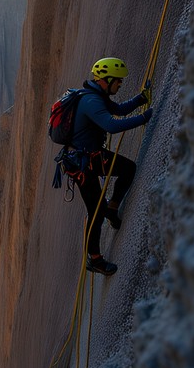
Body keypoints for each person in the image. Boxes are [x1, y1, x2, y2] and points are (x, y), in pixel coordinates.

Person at [63, 57, 153, 275]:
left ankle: (112, 209)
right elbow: (112, 125)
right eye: (118, 81)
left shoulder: (96, 95)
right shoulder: (92, 101)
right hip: (84, 164)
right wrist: (144, 118)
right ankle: (94, 259)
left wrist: (140, 99)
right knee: (95, 211)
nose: (120, 84)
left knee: (126, 170)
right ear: (107, 80)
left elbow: (119, 110)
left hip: (87, 159)